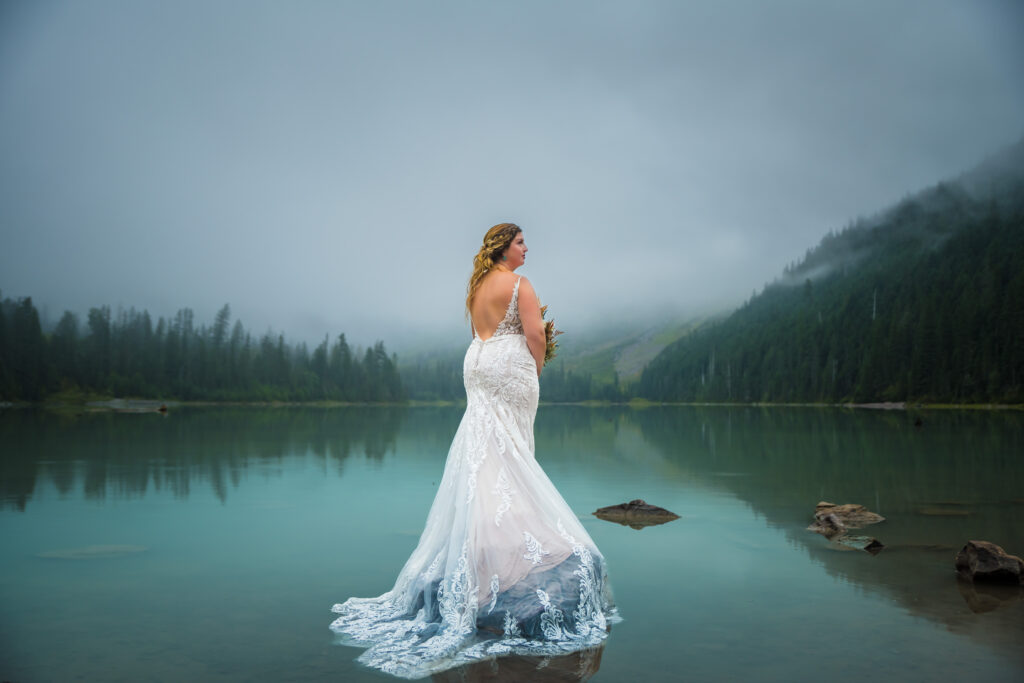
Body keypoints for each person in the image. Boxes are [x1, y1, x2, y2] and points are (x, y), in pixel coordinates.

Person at [331, 223, 618, 679]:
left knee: (484, 449)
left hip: (478, 362)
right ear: (504, 247)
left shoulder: (477, 287)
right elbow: (535, 336)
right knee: (513, 452)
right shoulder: (519, 284)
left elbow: (480, 331)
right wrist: (535, 369)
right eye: (521, 242)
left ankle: (483, 546)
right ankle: (508, 552)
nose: (527, 248)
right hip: (509, 364)